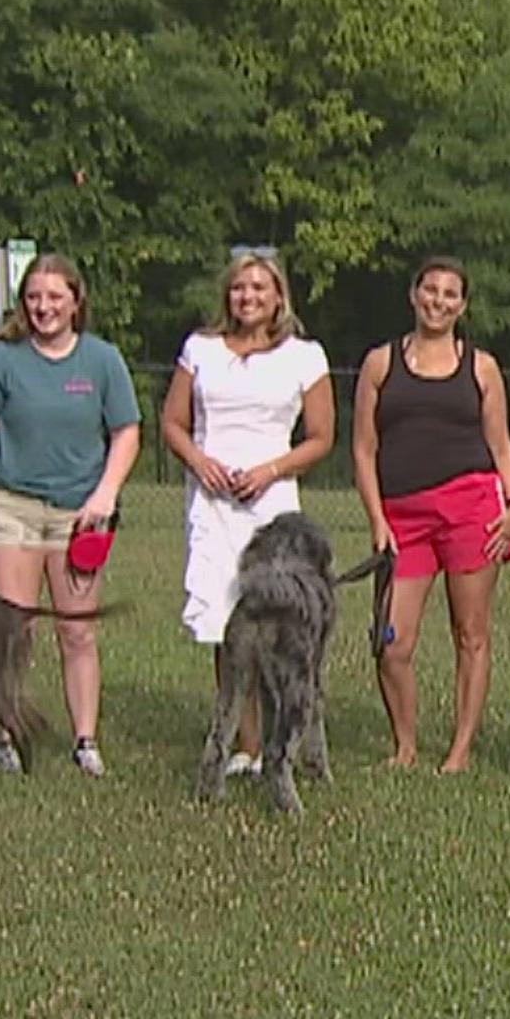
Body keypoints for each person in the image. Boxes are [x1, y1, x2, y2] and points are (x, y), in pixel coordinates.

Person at [0, 253, 141, 776]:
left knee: (77, 631)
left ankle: (85, 740)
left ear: (76, 301)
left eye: (55, 296)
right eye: (34, 297)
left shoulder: (102, 361)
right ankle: (9, 735)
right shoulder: (2, 361)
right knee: (9, 631)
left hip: (79, 514)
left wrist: (104, 494)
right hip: (9, 508)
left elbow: (126, 432)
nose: (44, 307)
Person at [161, 249, 333, 778]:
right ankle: (244, 741)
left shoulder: (305, 356)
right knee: (225, 621)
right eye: (239, 288)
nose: (248, 297)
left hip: (272, 505)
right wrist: (200, 462)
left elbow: (322, 437)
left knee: (280, 626)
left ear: (278, 295)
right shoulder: (201, 350)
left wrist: (272, 470)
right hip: (214, 503)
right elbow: (172, 422)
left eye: (260, 288)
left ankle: (289, 739)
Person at [351, 256, 510, 773]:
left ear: (463, 305)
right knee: (391, 641)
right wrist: (376, 519)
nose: (439, 302)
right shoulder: (381, 363)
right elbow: (363, 449)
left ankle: (459, 752)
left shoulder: (482, 367)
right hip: (402, 517)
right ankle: (404, 747)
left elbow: (501, 443)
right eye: (431, 290)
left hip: (472, 509)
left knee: (470, 633)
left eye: (450, 294)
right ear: (413, 295)